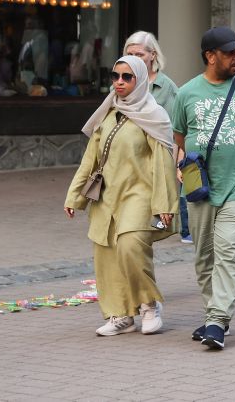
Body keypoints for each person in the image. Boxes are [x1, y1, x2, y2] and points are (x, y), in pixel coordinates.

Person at [172, 26, 235, 350]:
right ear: (210, 56)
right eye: (230, 52)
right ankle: (214, 315)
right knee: (204, 256)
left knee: (229, 251)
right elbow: (180, 137)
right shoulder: (187, 93)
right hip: (200, 188)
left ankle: (217, 321)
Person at [64, 55, 177, 336]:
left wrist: (165, 204)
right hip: (106, 197)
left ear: (140, 80)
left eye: (127, 77)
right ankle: (121, 315)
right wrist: (74, 197)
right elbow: (90, 160)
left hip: (139, 195)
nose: (120, 82)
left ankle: (149, 305)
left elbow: (164, 163)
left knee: (130, 248)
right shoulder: (108, 112)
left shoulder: (154, 116)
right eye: (115, 76)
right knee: (106, 256)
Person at [124, 31, 186, 242]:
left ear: (153, 55)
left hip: (157, 151)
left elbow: (176, 128)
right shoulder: (124, 81)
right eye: (129, 53)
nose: (134, 58)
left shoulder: (167, 87)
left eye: (139, 54)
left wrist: (178, 160)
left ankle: (161, 218)